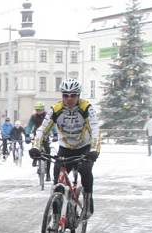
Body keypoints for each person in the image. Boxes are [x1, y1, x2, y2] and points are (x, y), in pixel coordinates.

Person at [30, 78, 101, 214]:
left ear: (78, 95)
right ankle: (56, 215)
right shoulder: (56, 109)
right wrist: (36, 146)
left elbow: (95, 129)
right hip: (65, 148)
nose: (69, 99)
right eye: (65, 95)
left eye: (73, 95)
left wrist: (94, 150)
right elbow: (42, 129)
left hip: (84, 148)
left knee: (86, 171)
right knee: (58, 181)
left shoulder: (86, 108)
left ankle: (88, 200)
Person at [25, 102, 56, 171]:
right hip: (36, 134)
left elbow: (52, 125)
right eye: (37, 110)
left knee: (48, 152)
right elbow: (29, 126)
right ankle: (35, 158)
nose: (38, 111)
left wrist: (55, 134)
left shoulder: (47, 116)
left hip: (46, 134)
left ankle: (48, 173)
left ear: (43, 109)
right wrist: (27, 135)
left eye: (39, 110)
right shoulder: (33, 116)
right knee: (34, 146)